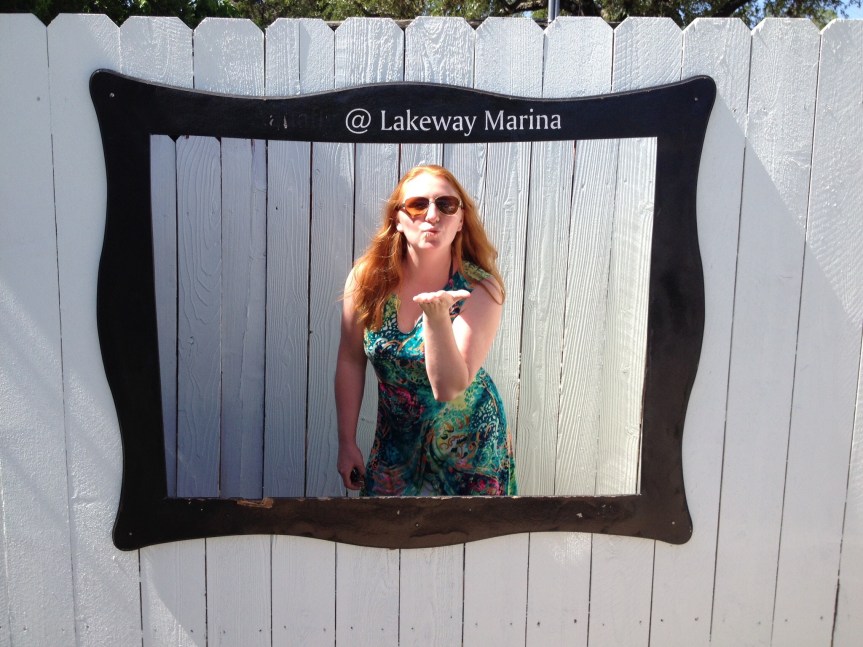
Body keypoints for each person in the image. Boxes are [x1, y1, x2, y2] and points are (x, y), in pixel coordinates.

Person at [334, 164, 517, 496]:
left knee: (470, 530)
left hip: (468, 450)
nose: (432, 215)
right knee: (387, 527)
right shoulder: (367, 281)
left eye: (446, 205)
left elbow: (448, 387)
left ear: (460, 220)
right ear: (397, 219)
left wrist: (437, 318)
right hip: (396, 444)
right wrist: (346, 441)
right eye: (418, 205)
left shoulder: (479, 289)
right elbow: (350, 360)